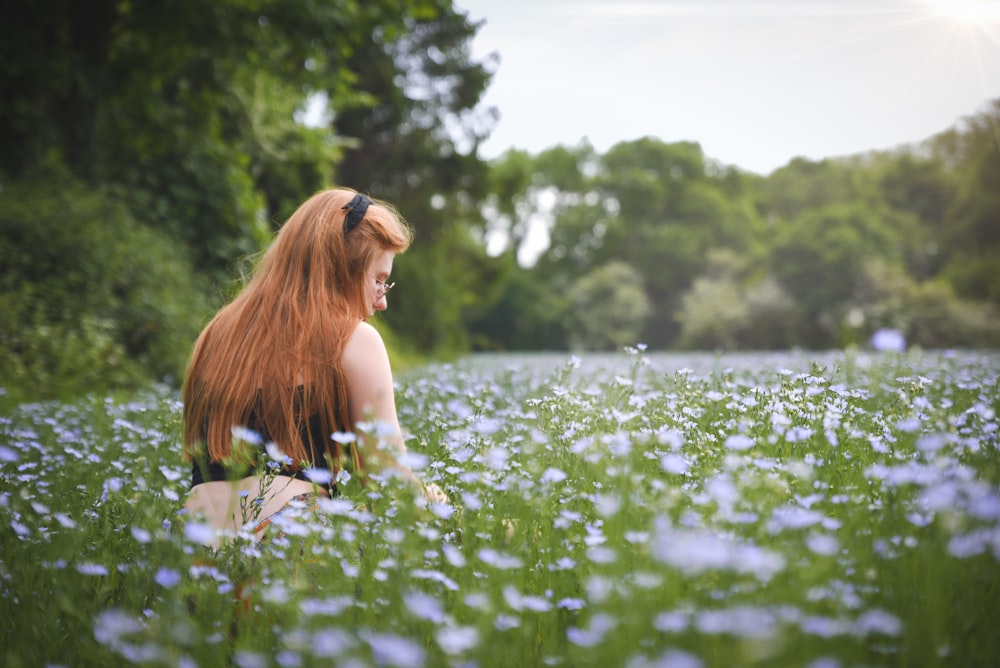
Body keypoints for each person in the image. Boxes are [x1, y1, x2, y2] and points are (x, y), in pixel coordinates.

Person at [181, 187, 446, 545]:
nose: (381, 303)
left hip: (189, 554)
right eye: (379, 281)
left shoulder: (216, 334)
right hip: (282, 551)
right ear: (340, 272)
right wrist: (446, 508)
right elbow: (389, 486)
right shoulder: (354, 340)